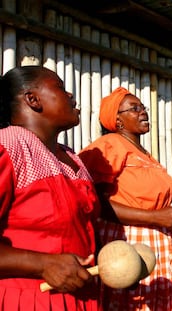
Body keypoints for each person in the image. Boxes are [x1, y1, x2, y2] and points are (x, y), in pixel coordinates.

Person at [79, 87, 172, 311]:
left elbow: (141, 198)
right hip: (129, 242)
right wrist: (154, 217)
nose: (143, 112)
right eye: (134, 109)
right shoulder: (110, 145)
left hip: (159, 239)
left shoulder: (144, 154)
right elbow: (93, 202)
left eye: (143, 107)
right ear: (117, 120)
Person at [0, 66, 100, 310]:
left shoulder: (70, 156)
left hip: (83, 298)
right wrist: (43, 264)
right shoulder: (9, 146)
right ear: (33, 100)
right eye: (61, 88)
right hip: (30, 300)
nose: (71, 96)